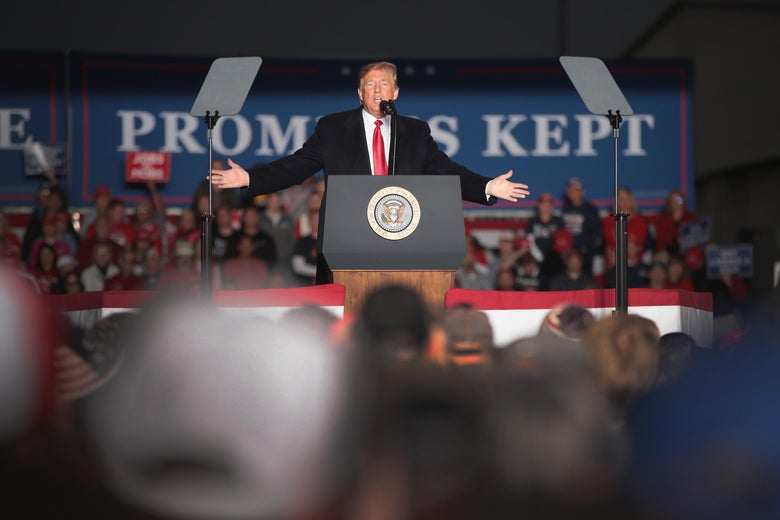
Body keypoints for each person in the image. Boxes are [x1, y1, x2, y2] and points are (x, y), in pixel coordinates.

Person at [210, 61, 531, 282]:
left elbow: (445, 170)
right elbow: (296, 166)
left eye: (385, 84)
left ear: (396, 93)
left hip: (404, 242)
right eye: (370, 84)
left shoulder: (415, 132)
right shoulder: (333, 128)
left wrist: (487, 186)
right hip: (346, 241)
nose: (378, 89)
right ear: (360, 93)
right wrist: (251, 178)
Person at [561, 177, 603, 272]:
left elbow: (596, 234)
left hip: (586, 253)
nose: (572, 192)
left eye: (576, 190)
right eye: (570, 189)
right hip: (568, 252)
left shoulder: (590, 210)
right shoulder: (566, 209)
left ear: (582, 192)